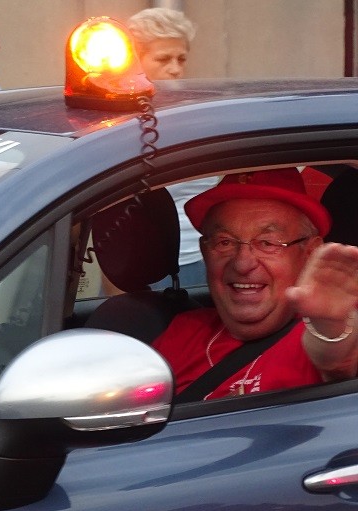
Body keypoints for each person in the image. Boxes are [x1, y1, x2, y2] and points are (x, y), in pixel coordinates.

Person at [152, 168, 358, 400]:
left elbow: (336, 356)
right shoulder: (183, 332)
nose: (242, 264)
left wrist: (330, 325)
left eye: (267, 243)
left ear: (310, 252)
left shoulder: (330, 318)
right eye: (224, 242)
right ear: (204, 251)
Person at [128, 7, 216, 287]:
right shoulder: (123, 125)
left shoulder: (198, 115)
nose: (176, 69)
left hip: (208, 258)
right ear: (134, 62)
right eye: (163, 59)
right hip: (150, 268)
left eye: (181, 59)